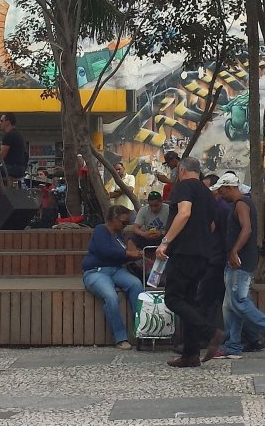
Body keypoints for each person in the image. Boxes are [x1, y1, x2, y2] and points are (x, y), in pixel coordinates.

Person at [212, 174, 265, 359]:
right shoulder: (242, 203)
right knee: (230, 306)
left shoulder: (241, 204)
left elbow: (247, 229)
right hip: (237, 261)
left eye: (221, 191)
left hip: (240, 261)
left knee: (239, 302)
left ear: (229, 187)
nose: (221, 195)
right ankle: (232, 345)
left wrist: (235, 251)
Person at [157, 156, 218, 368]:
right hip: (203, 253)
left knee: (173, 299)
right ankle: (191, 354)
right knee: (189, 302)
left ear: (182, 170)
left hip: (184, 251)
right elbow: (212, 225)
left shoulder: (185, 187)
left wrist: (165, 242)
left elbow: (184, 213)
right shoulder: (207, 193)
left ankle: (211, 333)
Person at [82, 204, 144, 350]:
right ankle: (120, 337)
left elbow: (119, 255)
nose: (125, 225)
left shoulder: (119, 235)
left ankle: (142, 329)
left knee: (136, 284)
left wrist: (135, 255)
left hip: (116, 270)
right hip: (96, 271)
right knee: (111, 296)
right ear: (114, 219)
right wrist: (129, 253)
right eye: (123, 222)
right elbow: (106, 251)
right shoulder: (100, 230)